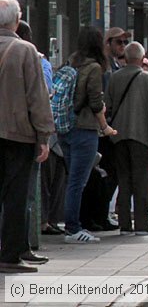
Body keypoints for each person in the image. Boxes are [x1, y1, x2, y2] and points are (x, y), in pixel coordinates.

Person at [0, 0, 53, 273]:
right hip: (17, 135)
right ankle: (9, 254)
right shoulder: (24, 50)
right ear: (16, 21)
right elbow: (37, 97)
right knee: (16, 197)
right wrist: (44, 135)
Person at [61, 27, 117, 243]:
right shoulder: (94, 68)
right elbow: (95, 103)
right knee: (78, 181)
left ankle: (73, 224)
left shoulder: (71, 62)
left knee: (72, 181)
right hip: (84, 129)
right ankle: (73, 228)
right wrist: (105, 127)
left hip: (66, 128)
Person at [106, 42, 148, 235]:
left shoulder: (115, 78)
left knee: (124, 180)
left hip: (119, 136)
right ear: (142, 60)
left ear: (125, 57)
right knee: (141, 181)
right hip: (144, 136)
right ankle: (142, 223)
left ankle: (124, 223)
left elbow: (107, 105)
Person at [15, 21, 60, 259]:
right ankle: (23, 244)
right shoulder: (35, 58)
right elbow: (42, 96)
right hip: (24, 134)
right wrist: (44, 136)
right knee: (25, 193)